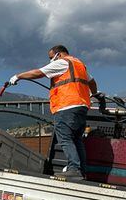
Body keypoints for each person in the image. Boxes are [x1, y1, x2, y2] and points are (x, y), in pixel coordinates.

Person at [8, 45, 100, 179]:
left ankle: (74, 169)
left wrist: (18, 76)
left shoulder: (62, 63)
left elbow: (38, 73)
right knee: (76, 139)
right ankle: (81, 171)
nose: (51, 60)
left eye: (51, 57)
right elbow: (92, 82)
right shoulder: (79, 65)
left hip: (66, 106)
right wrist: (95, 94)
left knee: (65, 138)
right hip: (82, 106)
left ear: (59, 54)